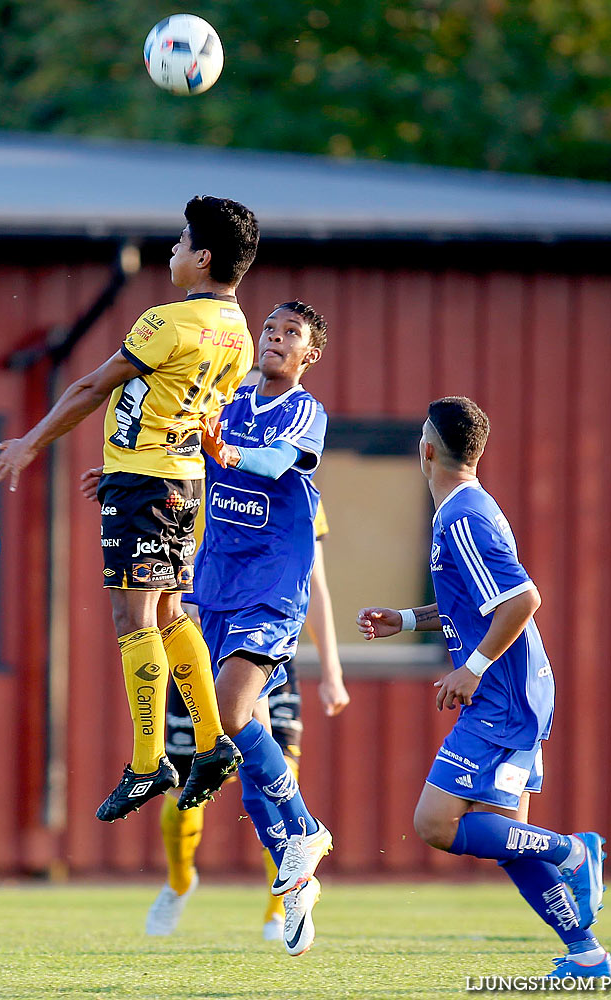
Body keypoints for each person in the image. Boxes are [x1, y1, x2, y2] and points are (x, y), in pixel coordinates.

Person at [0, 196, 261, 820]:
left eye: (181, 242)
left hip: (147, 487)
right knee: (166, 611)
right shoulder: (240, 334)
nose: (173, 251)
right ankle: (211, 745)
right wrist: (120, 460)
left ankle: (146, 763)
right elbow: (188, 407)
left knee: (132, 617)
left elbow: (89, 386)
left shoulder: (167, 322)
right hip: (182, 484)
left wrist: (29, 443)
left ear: (203, 256)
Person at [356, 396, 611, 980]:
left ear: (425, 451)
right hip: (515, 689)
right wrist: (404, 618)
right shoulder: (464, 509)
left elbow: (524, 600)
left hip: (503, 694)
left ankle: (573, 849)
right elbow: (473, 604)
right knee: (507, 840)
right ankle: (587, 954)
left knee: (435, 824)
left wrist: (471, 668)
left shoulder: (462, 516)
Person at [188, 299, 336, 956]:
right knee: (240, 748)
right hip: (215, 584)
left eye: (291, 335)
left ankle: (304, 830)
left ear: (310, 355)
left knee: (232, 705)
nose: (274, 340)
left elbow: (274, 464)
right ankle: (297, 874)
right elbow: (189, 462)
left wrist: (216, 442)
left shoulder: (305, 412)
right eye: (269, 330)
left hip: (272, 586)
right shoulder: (226, 397)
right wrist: (121, 480)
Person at [145, 501, 350, 942]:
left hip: (266, 652)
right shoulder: (192, 480)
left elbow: (315, 585)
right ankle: (179, 882)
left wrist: (332, 673)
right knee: (184, 791)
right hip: (197, 657)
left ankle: (282, 909)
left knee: (275, 773)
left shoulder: (300, 490)